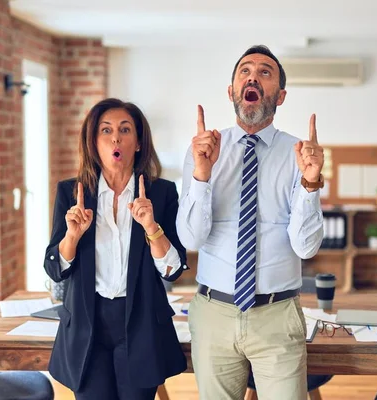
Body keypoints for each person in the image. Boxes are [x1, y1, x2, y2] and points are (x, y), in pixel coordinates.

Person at [176, 45, 325, 399]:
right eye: (245, 71)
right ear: (231, 91)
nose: (253, 76)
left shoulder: (299, 156)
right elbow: (191, 237)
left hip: (277, 315)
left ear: (280, 95)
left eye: (265, 72)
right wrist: (201, 175)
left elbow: (306, 246)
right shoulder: (203, 151)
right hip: (214, 314)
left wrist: (310, 183)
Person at [44, 98, 188, 399]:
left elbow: (173, 270)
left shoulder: (161, 193)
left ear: (137, 143)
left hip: (141, 325)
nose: (115, 138)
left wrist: (151, 226)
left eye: (125, 130)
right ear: (94, 142)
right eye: (105, 130)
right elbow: (55, 268)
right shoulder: (71, 193)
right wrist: (72, 236)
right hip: (87, 326)